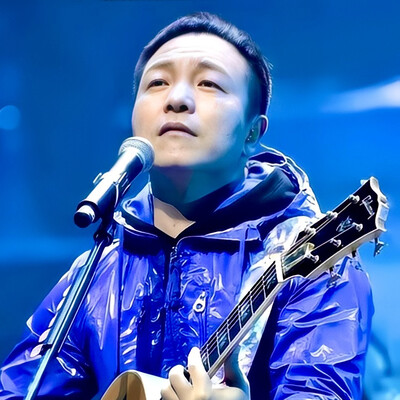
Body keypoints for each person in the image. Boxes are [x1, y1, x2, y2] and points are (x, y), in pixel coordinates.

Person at [0, 12, 373, 400]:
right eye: (157, 83)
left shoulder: (313, 261)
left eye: (209, 83)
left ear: (252, 133)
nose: (176, 99)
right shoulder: (98, 270)